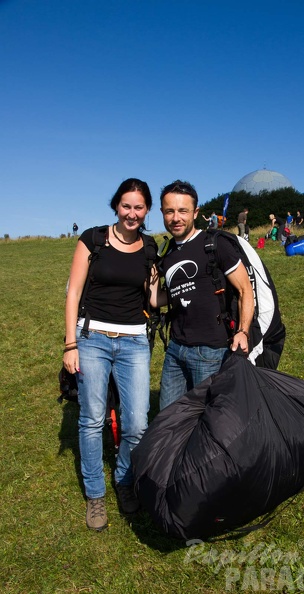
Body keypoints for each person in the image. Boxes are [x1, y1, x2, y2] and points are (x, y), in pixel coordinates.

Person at [63, 178, 158, 531]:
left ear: (146, 210)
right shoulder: (93, 239)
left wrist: (194, 294)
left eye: (139, 207)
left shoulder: (150, 248)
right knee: (92, 418)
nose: (132, 213)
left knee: (136, 423)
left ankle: (122, 480)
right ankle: (95, 494)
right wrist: (70, 344)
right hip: (91, 339)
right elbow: (73, 293)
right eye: (126, 206)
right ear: (116, 206)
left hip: (134, 342)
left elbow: (152, 298)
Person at [152, 180, 255, 411]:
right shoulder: (166, 254)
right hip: (175, 349)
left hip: (210, 351)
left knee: (207, 418)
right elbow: (158, 300)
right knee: (169, 418)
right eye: (169, 211)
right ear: (162, 212)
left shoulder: (214, 243)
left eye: (183, 211)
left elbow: (244, 289)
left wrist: (243, 331)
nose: (176, 218)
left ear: (196, 212)